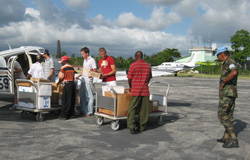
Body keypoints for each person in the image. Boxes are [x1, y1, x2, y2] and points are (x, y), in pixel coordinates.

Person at [215, 47, 239, 148]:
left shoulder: (230, 62)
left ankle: (233, 139)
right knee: (228, 116)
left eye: (218, 55)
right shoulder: (227, 63)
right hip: (229, 93)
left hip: (227, 94)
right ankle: (226, 137)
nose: (218, 58)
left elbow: (234, 72)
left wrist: (224, 82)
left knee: (222, 116)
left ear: (222, 54)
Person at [127, 51, 152, 134]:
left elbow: (129, 78)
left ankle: (132, 126)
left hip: (135, 90)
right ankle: (142, 126)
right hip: (145, 90)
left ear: (135, 56)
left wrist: (131, 87)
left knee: (132, 108)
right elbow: (149, 78)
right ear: (142, 56)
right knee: (144, 109)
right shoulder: (148, 66)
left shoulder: (133, 65)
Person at [76, 47, 97, 116]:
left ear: (87, 53)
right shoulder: (85, 60)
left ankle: (89, 111)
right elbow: (84, 70)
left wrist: (91, 74)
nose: (82, 55)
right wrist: (79, 75)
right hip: (83, 79)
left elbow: (94, 69)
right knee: (82, 95)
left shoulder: (92, 60)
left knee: (89, 96)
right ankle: (84, 110)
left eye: (83, 54)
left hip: (88, 80)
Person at [57, 56, 76, 120]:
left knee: (65, 100)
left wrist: (58, 83)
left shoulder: (63, 68)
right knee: (71, 99)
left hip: (67, 84)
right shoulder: (72, 67)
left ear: (64, 61)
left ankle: (64, 115)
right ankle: (71, 114)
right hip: (72, 84)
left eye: (62, 62)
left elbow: (60, 77)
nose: (61, 63)